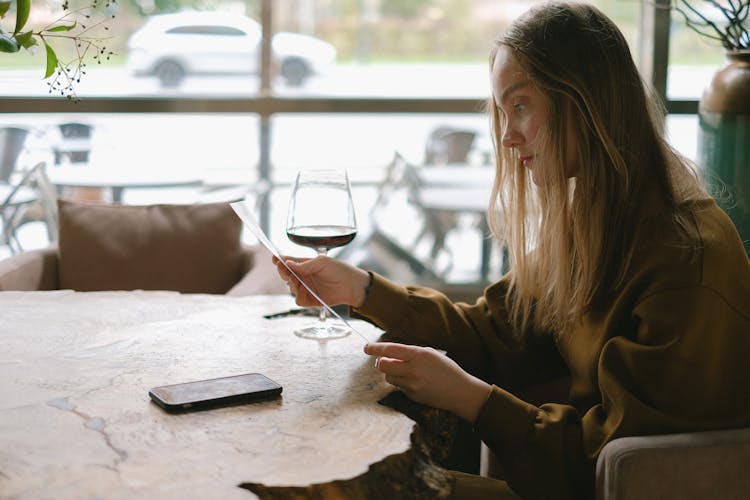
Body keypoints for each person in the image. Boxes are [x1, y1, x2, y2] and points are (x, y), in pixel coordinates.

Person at [274, 1, 750, 498]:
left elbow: (622, 463)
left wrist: (472, 399)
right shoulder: (593, 222)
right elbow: (493, 332)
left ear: (585, 102)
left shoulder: (683, 260)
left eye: (520, 105)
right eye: (503, 111)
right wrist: (363, 288)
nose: (505, 136)